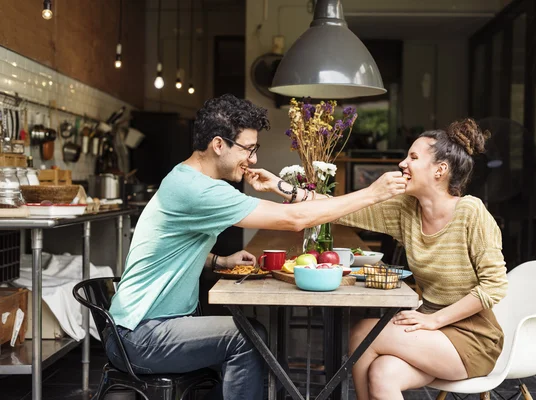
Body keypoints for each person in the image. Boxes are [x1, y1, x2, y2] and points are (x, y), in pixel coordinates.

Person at [106, 94, 408, 400]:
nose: (252, 159)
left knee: (249, 334)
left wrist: (219, 262)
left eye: (255, 149)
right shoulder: (199, 190)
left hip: (144, 328)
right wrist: (372, 193)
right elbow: (295, 219)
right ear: (219, 144)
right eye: (248, 149)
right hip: (139, 336)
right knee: (247, 338)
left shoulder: (186, 178)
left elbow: (166, 246)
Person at [247, 118, 508, 400]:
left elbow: (494, 286)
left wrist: (434, 321)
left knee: (361, 332)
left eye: (414, 157)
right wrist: (279, 186)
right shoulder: (406, 210)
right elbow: (339, 209)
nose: (403, 164)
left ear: (440, 170)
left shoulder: (471, 212)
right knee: (382, 373)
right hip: (430, 331)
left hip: (473, 338)